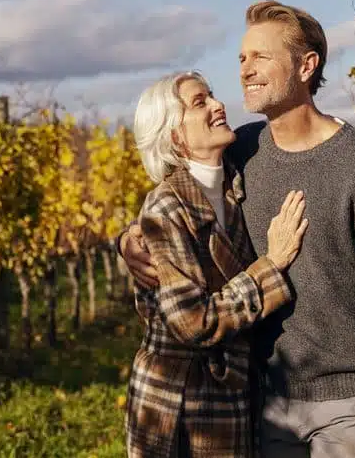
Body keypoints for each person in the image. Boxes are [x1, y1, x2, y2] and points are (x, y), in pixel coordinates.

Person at [118, 1, 355, 458]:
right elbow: (178, 198)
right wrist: (129, 240)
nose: (245, 71)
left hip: (349, 408)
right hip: (264, 405)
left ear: (306, 65)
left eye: (260, 57)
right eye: (241, 58)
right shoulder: (243, 152)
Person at [124, 70, 310, 458]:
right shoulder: (165, 208)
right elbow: (194, 322)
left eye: (211, 95)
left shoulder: (234, 188)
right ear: (174, 135)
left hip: (232, 397)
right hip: (178, 405)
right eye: (199, 102)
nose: (217, 105)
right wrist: (271, 267)